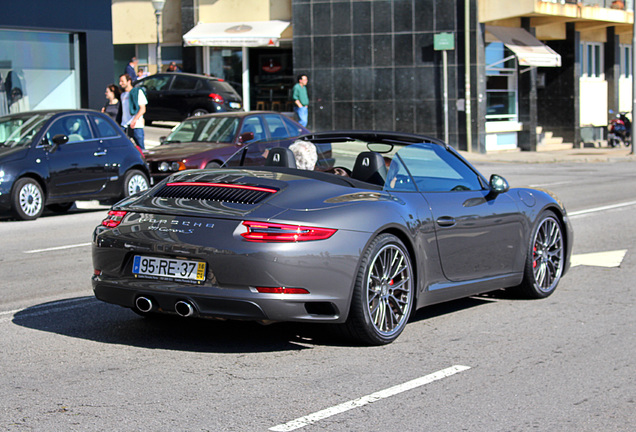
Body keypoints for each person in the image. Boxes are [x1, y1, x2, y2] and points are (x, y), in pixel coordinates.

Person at [119, 73, 147, 149]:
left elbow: (143, 109)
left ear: (129, 81)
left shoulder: (138, 92)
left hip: (136, 125)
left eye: (122, 81)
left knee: (141, 148)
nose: (120, 83)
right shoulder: (123, 95)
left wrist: (134, 120)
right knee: (125, 147)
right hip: (124, 125)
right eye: (120, 81)